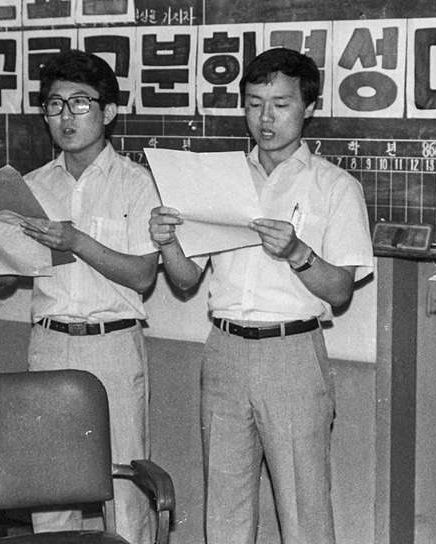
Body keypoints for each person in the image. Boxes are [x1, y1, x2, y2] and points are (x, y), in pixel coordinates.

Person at [148, 47, 374, 544]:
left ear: (308, 107)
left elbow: (340, 290)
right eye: (254, 104)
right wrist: (167, 242)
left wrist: (297, 253)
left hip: (293, 351)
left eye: (280, 104)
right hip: (224, 349)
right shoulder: (218, 178)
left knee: (303, 507)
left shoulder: (334, 186)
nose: (265, 118)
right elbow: (185, 280)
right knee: (224, 505)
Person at [0, 49, 159, 543]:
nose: (66, 117)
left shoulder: (137, 184)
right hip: (49, 343)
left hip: (112, 345)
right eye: (55, 105)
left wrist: (76, 241)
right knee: (50, 486)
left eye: (80, 103)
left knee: (124, 487)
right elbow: (8, 277)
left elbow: (143, 275)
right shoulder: (30, 187)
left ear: (110, 111)